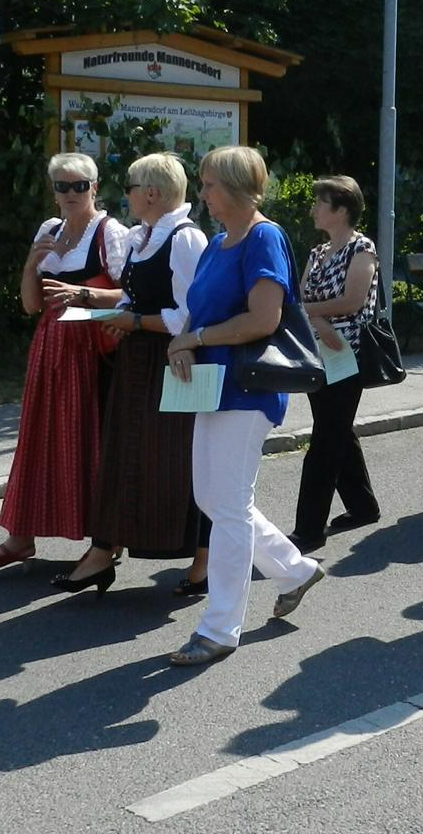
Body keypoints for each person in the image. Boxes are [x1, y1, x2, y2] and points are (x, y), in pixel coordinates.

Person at [164, 146, 324, 665]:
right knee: (214, 500)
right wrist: (182, 343)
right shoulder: (217, 243)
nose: (202, 193)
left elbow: (263, 319)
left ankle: (219, 629)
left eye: (209, 184)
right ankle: (296, 571)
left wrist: (196, 338)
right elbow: (197, 312)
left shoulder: (264, 237)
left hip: (249, 388)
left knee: (228, 508)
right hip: (211, 386)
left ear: (235, 186)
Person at [58, 154, 210, 594]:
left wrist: (136, 321)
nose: (124, 194)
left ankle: (204, 559)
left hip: (172, 361)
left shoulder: (185, 238)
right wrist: (119, 316)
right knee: (123, 454)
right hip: (138, 361)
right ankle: (102, 552)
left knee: (176, 462)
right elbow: (135, 296)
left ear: (151, 193)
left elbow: (191, 316)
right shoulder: (142, 236)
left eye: (129, 186)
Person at [0, 153, 127, 569]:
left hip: (91, 349)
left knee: (87, 442)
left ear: (94, 188)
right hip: (51, 345)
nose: (71, 193)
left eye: (80, 185)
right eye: (63, 186)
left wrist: (83, 295)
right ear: (54, 190)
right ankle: (20, 536)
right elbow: (30, 304)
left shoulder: (110, 233)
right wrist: (31, 264)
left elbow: (132, 294)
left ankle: (104, 541)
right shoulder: (49, 231)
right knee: (37, 440)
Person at [292, 175, 382, 552]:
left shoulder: (362, 249)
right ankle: (363, 507)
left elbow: (352, 300)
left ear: (342, 210)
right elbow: (299, 299)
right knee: (338, 430)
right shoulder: (317, 253)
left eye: (321, 202)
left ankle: (308, 529)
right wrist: (317, 320)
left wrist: (312, 314)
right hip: (317, 354)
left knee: (326, 438)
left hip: (348, 356)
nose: (313, 208)